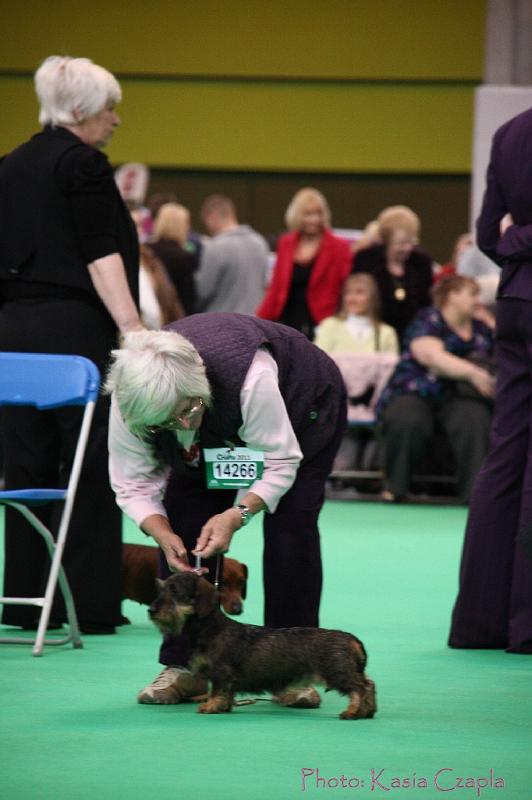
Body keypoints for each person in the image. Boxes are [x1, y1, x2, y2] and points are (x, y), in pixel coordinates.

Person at [105, 314, 346, 706]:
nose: (181, 424)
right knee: (182, 529)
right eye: (165, 423)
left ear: (198, 388)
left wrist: (238, 514)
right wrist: (161, 533)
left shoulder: (252, 378)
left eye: (186, 411)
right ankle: (185, 666)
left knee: (291, 528)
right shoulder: (129, 399)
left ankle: (289, 669)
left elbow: (281, 461)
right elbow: (131, 481)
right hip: (218, 440)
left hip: (302, 411)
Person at [0, 55, 143, 634]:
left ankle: (23, 598)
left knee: (23, 466)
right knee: (87, 466)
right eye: (111, 108)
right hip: (72, 332)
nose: (115, 121)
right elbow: (99, 253)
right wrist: (134, 331)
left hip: (10, 334)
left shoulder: (7, 166)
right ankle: (85, 601)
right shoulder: (82, 165)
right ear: (83, 110)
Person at [449, 106, 532, 655]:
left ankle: (481, 623)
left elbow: (486, 234)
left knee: (505, 457)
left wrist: (516, 242)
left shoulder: (509, 132)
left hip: (515, 305)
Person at [377, 276, 495, 503]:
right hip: (418, 389)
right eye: (472, 294)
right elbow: (429, 355)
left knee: (475, 420)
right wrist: (473, 372)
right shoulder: (428, 319)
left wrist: (491, 323)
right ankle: (395, 488)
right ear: (452, 295)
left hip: (462, 396)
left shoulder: (481, 327)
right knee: (406, 418)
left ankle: (475, 496)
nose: (477, 301)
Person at [315, 273, 399, 472]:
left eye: (360, 293)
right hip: (336, 402)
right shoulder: (330, 327)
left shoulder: (386, 333)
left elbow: (391, 373)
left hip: (375, 406)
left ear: (372, 298)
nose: (352, 298)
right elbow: (319, 365)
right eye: (348, 293)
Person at [256, 188, 351, 339]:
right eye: (308, 214)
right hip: (287, 321)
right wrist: (258, 322)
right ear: (297, 216)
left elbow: (346, 288)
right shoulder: (285, 243)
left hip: (323, 323)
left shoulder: (340, 247)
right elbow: (276, 287)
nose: (314, 219)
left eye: (318, 213)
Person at [352, 205, 434, 341]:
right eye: (400, 243)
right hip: (373, 333)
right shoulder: (366, 259)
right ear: (386, 240)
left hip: (413, 333)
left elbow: (426, 304)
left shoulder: (422, 262)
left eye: (410, 242)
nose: (407, 248)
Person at [194, 195, 269, 315]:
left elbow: (203, 292)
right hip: (255, 322)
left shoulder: (215, 247)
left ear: (211, 217)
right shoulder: (259, 242)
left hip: (222, 323)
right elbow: (266, 283)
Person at [150, 202, 199, 316]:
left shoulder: (146, 252)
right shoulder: (186, 258)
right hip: (173, 317)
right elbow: (189, 299)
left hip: (150, 314)